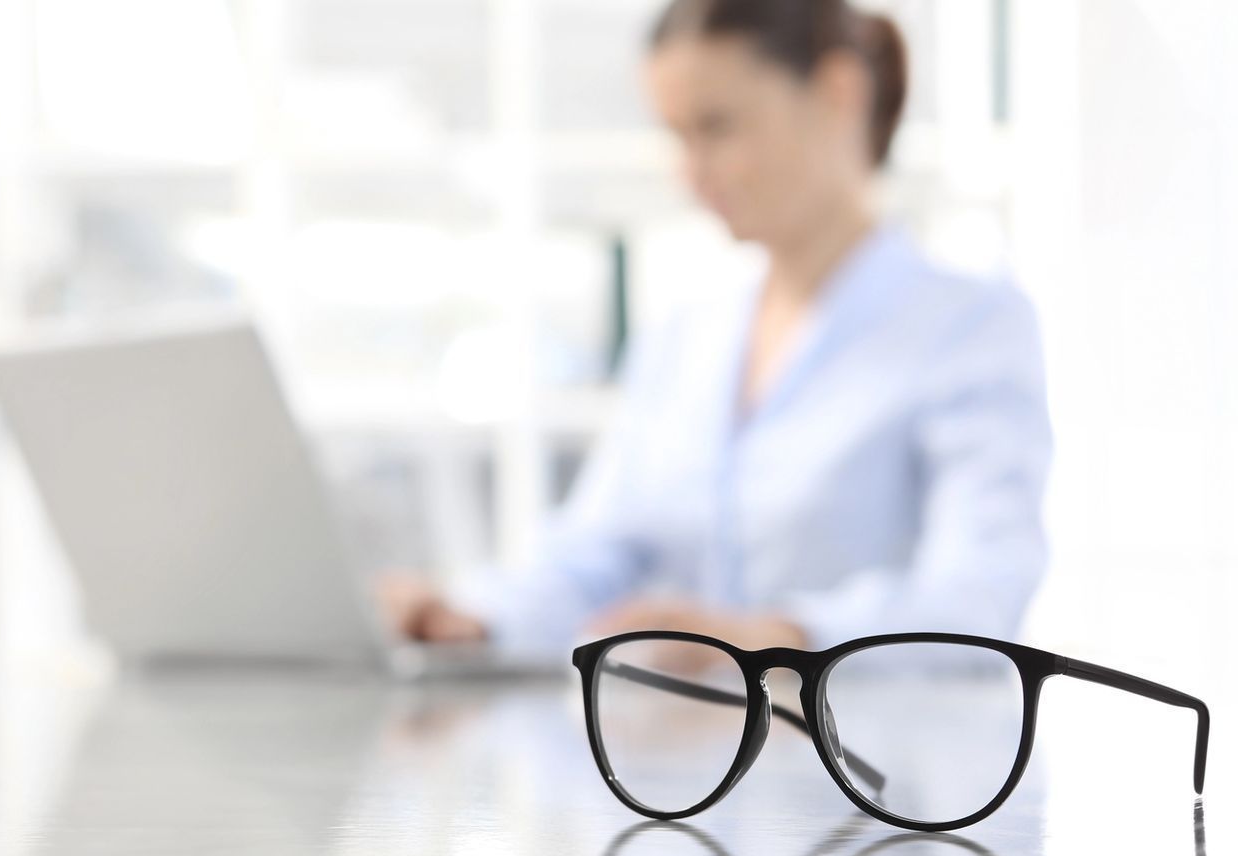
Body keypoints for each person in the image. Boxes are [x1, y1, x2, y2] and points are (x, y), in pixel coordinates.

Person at [380, 0, 1050, 658]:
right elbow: (601, 549)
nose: (691, 174)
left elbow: (980, 594)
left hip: (879, 759)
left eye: (719, 129)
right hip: (686, 756)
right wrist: (474, 616)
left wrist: (783, 640)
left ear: (838, 94)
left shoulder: (968, 327)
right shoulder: (685, 337)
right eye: (678, 137)